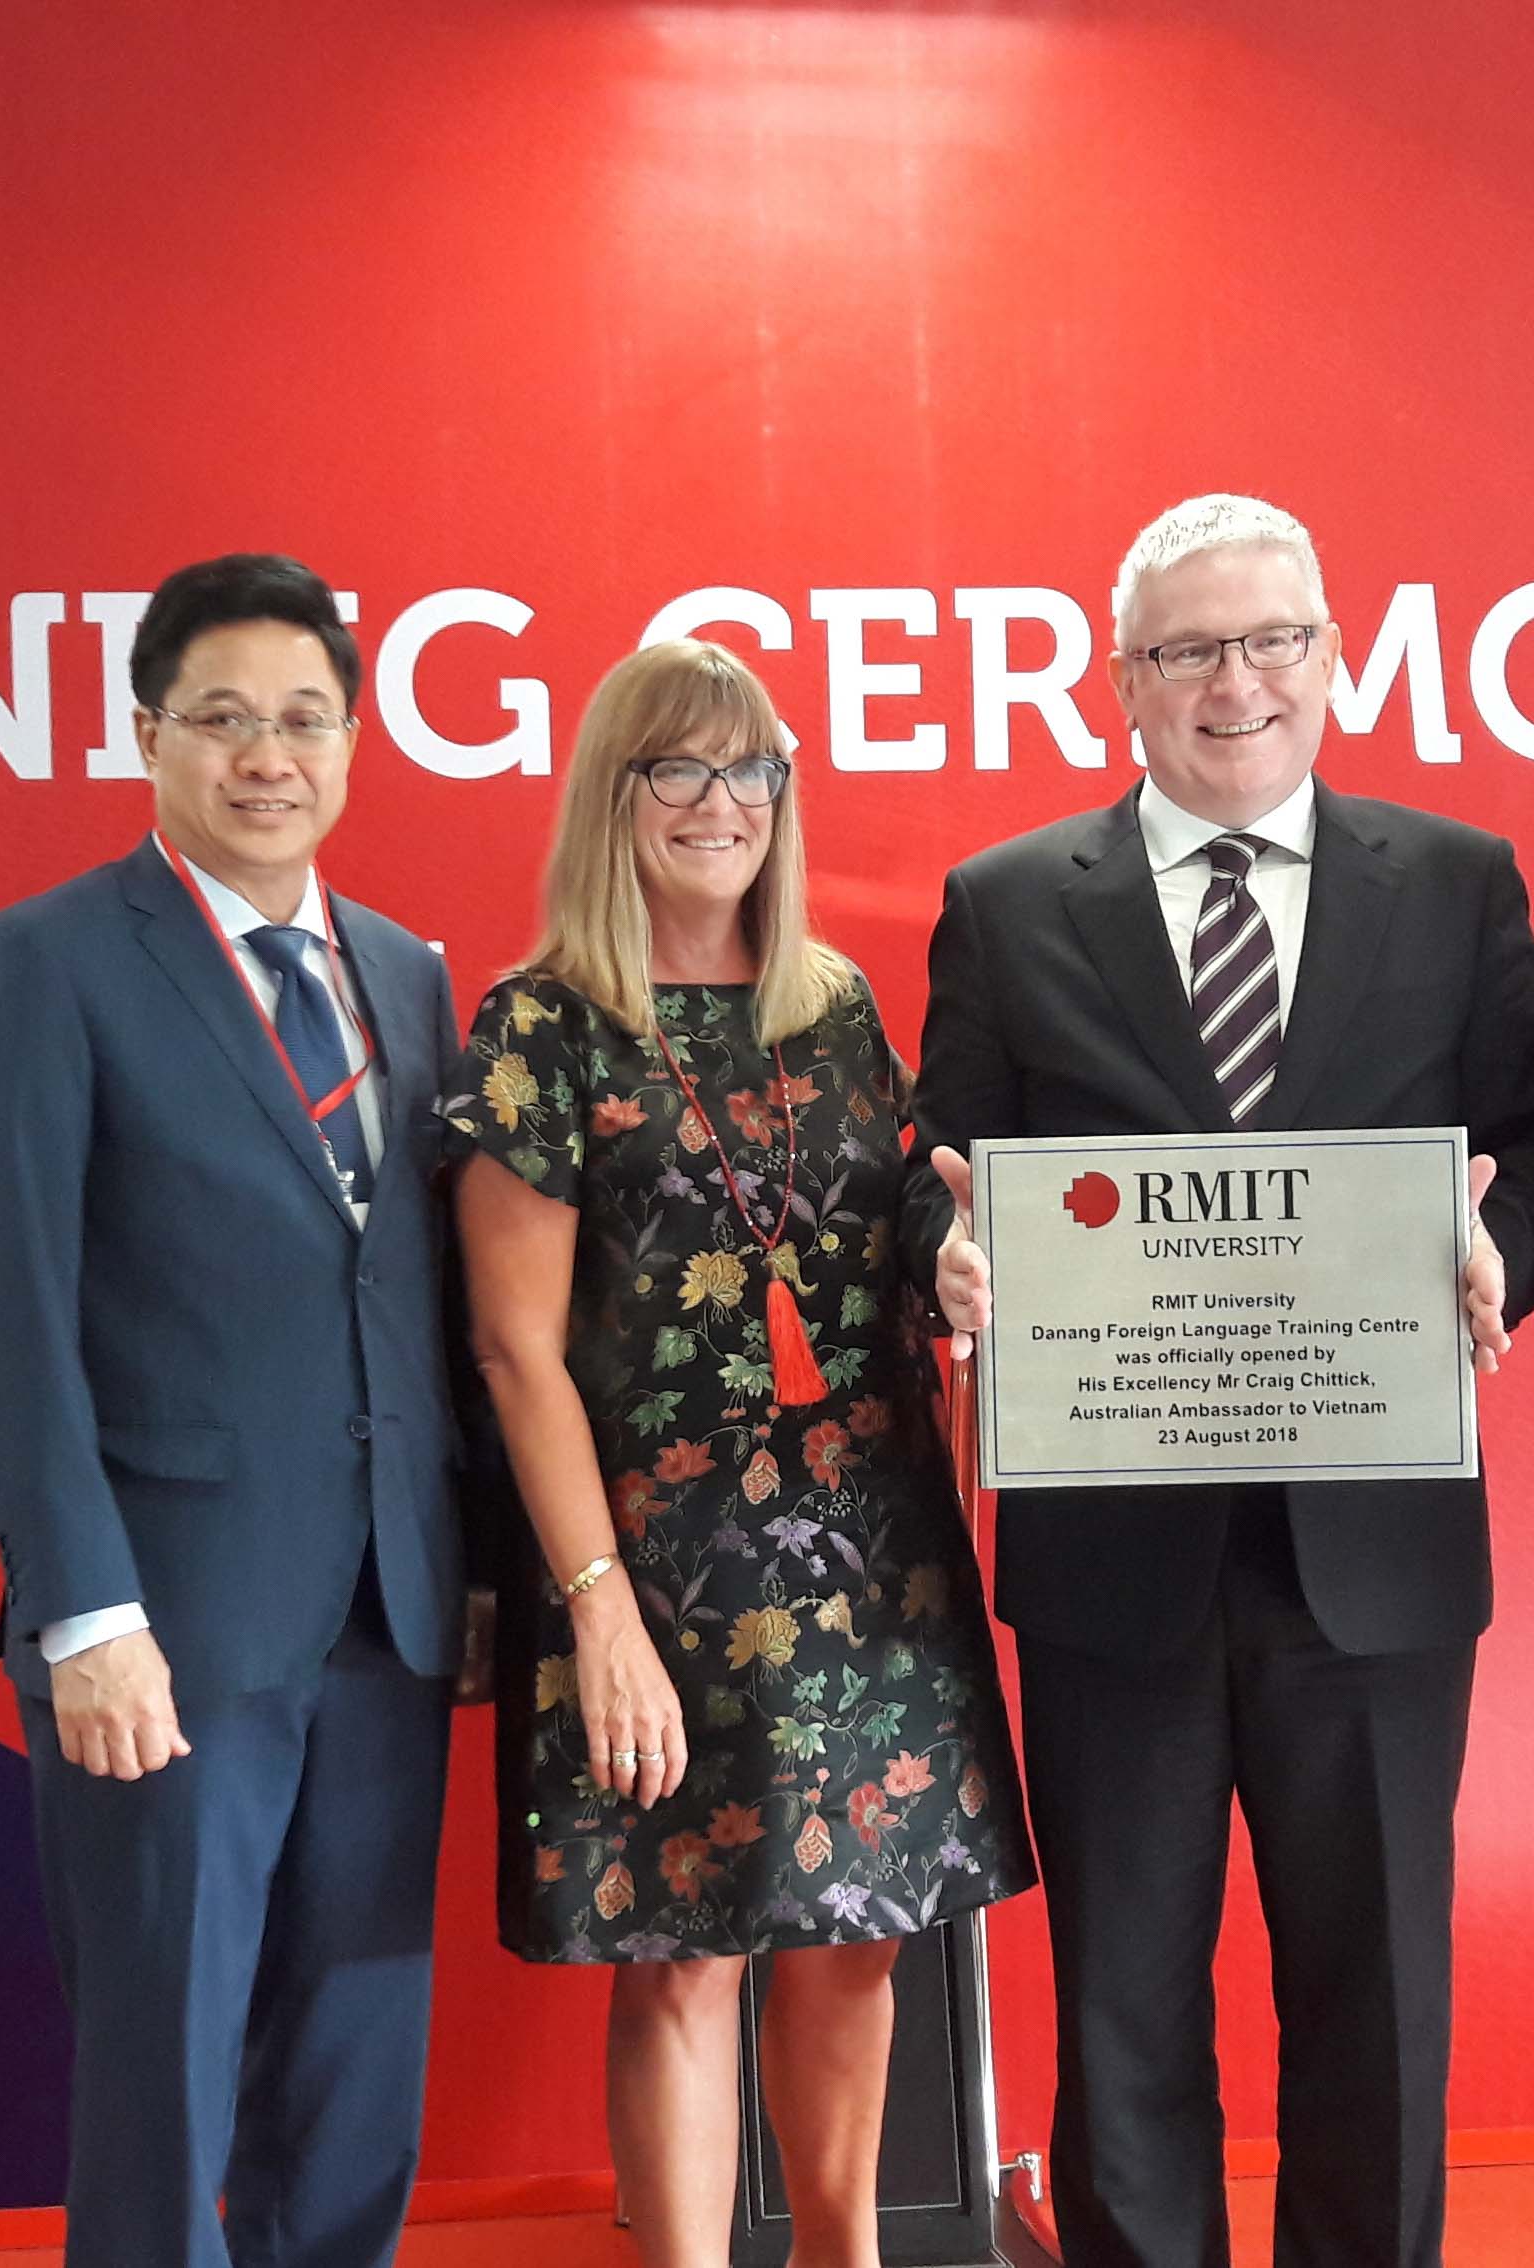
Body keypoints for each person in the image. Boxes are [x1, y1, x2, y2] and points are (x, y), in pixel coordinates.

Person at [903, 494, 1534, 2268]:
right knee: (1121, 1998)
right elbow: (933, 1159)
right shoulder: (1011, 902)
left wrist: (1516, 1251)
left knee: (1378, 1997)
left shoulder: (1457, 881)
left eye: (1272, 639)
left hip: (1376, 1550)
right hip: (1118, 1550)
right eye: (1190, 648)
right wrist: (941, 1255)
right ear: (1122, 682)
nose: (1236, 680)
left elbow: (1533, 1148)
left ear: (1336, 659)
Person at [446, 638, 1033, 2268]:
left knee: (860, 1938)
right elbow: (514, 1350)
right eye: (680, 773)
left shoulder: (829, 1008)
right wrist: (598, 1610)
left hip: (869, 1550)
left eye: (752, 772)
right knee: (685, 1954)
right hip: (657, 1569)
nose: (722, 806)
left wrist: (951, 1249)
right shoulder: (541, 1026)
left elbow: (901, 1189)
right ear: (611, 798)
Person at [0, 552, 464, 2268]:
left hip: (390, 1614)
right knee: (166, 2080)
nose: (268, 758)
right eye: (224, 720)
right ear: (147, 733)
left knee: (352, 2067)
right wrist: (83, 1613)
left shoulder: (405, 971)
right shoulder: (51, 962)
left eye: (305, 719)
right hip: (162, 1628)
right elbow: (8, 1317)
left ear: (353, 739)